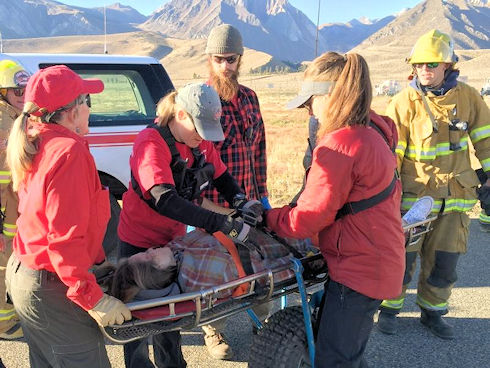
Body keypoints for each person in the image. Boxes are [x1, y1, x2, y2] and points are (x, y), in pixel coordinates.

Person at [264, 51, 406, 368]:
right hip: (377, 259)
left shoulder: (340, 145)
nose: (307, 111)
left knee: (335, 359)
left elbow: (308, 218)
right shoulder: (375, 131)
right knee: (348, 350)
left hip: (358, 271)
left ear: (329, 96)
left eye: (309, 102)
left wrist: (269, 218)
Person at [117, 82, 263, 368]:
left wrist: (240, 201)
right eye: (199, 129)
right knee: (133, 316)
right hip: (139, 239)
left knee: (170, 312)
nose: (203, 137)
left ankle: (172, 364)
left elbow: (221, 176)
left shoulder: (199, 140)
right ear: (181, 114)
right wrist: (220, 222)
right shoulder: (152, 143)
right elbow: (166, 200)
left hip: (171, 241)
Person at [4, 65, 131, 367]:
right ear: (71, 111)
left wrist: (97, 265)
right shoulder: (68, 152)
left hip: (29, 277)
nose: (90, 108)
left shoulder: (38, 141)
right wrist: (94, 298)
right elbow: (64, 239)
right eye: (87, 100)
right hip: (51, 287)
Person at [378, 29, 490, 340]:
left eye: (431, 64)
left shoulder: (469, 98)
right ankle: (388, 309)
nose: (424, 70)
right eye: (419, 65)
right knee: (401, 259)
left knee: (445, 262)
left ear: (448, 66)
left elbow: (486, 141)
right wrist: (387, 193)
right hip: (414, 200)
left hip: (455, 198)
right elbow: (391, 153)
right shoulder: (403, 103)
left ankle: (432, 312)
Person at [202, 23, 271, 359]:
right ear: (209, 59)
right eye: (219, 59)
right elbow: (197, 157)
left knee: (259, 264)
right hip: (214, 205)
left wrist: (263, 193)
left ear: (241, 59)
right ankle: (214, 331)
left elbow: (259, 150)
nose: (226, 66)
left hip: (251, 199)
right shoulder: (202, 98)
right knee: (219, 270)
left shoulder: (250, 98)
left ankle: (264, 322)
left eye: (231, 59)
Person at [0, 59, 30, 340]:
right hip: (4, 212)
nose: (23, 97)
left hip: (13, 208)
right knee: (2, 264)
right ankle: (4, 324)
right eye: (17, 91)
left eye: (26, 90)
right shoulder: (3, 122)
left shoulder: (17, 119)